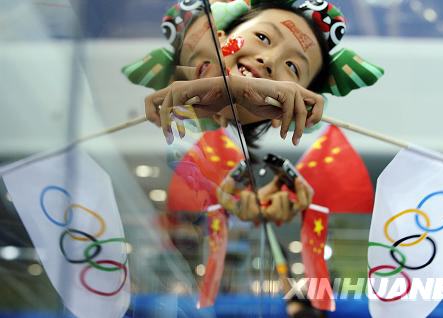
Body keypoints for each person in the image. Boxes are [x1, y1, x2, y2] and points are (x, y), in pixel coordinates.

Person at [122, 0, 383, 223]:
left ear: (288, 113)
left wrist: (234, 200)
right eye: (262, 37)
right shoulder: (148, 118)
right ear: (220, 37)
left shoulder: (199, 145)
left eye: (292, 67)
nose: (269, 60)